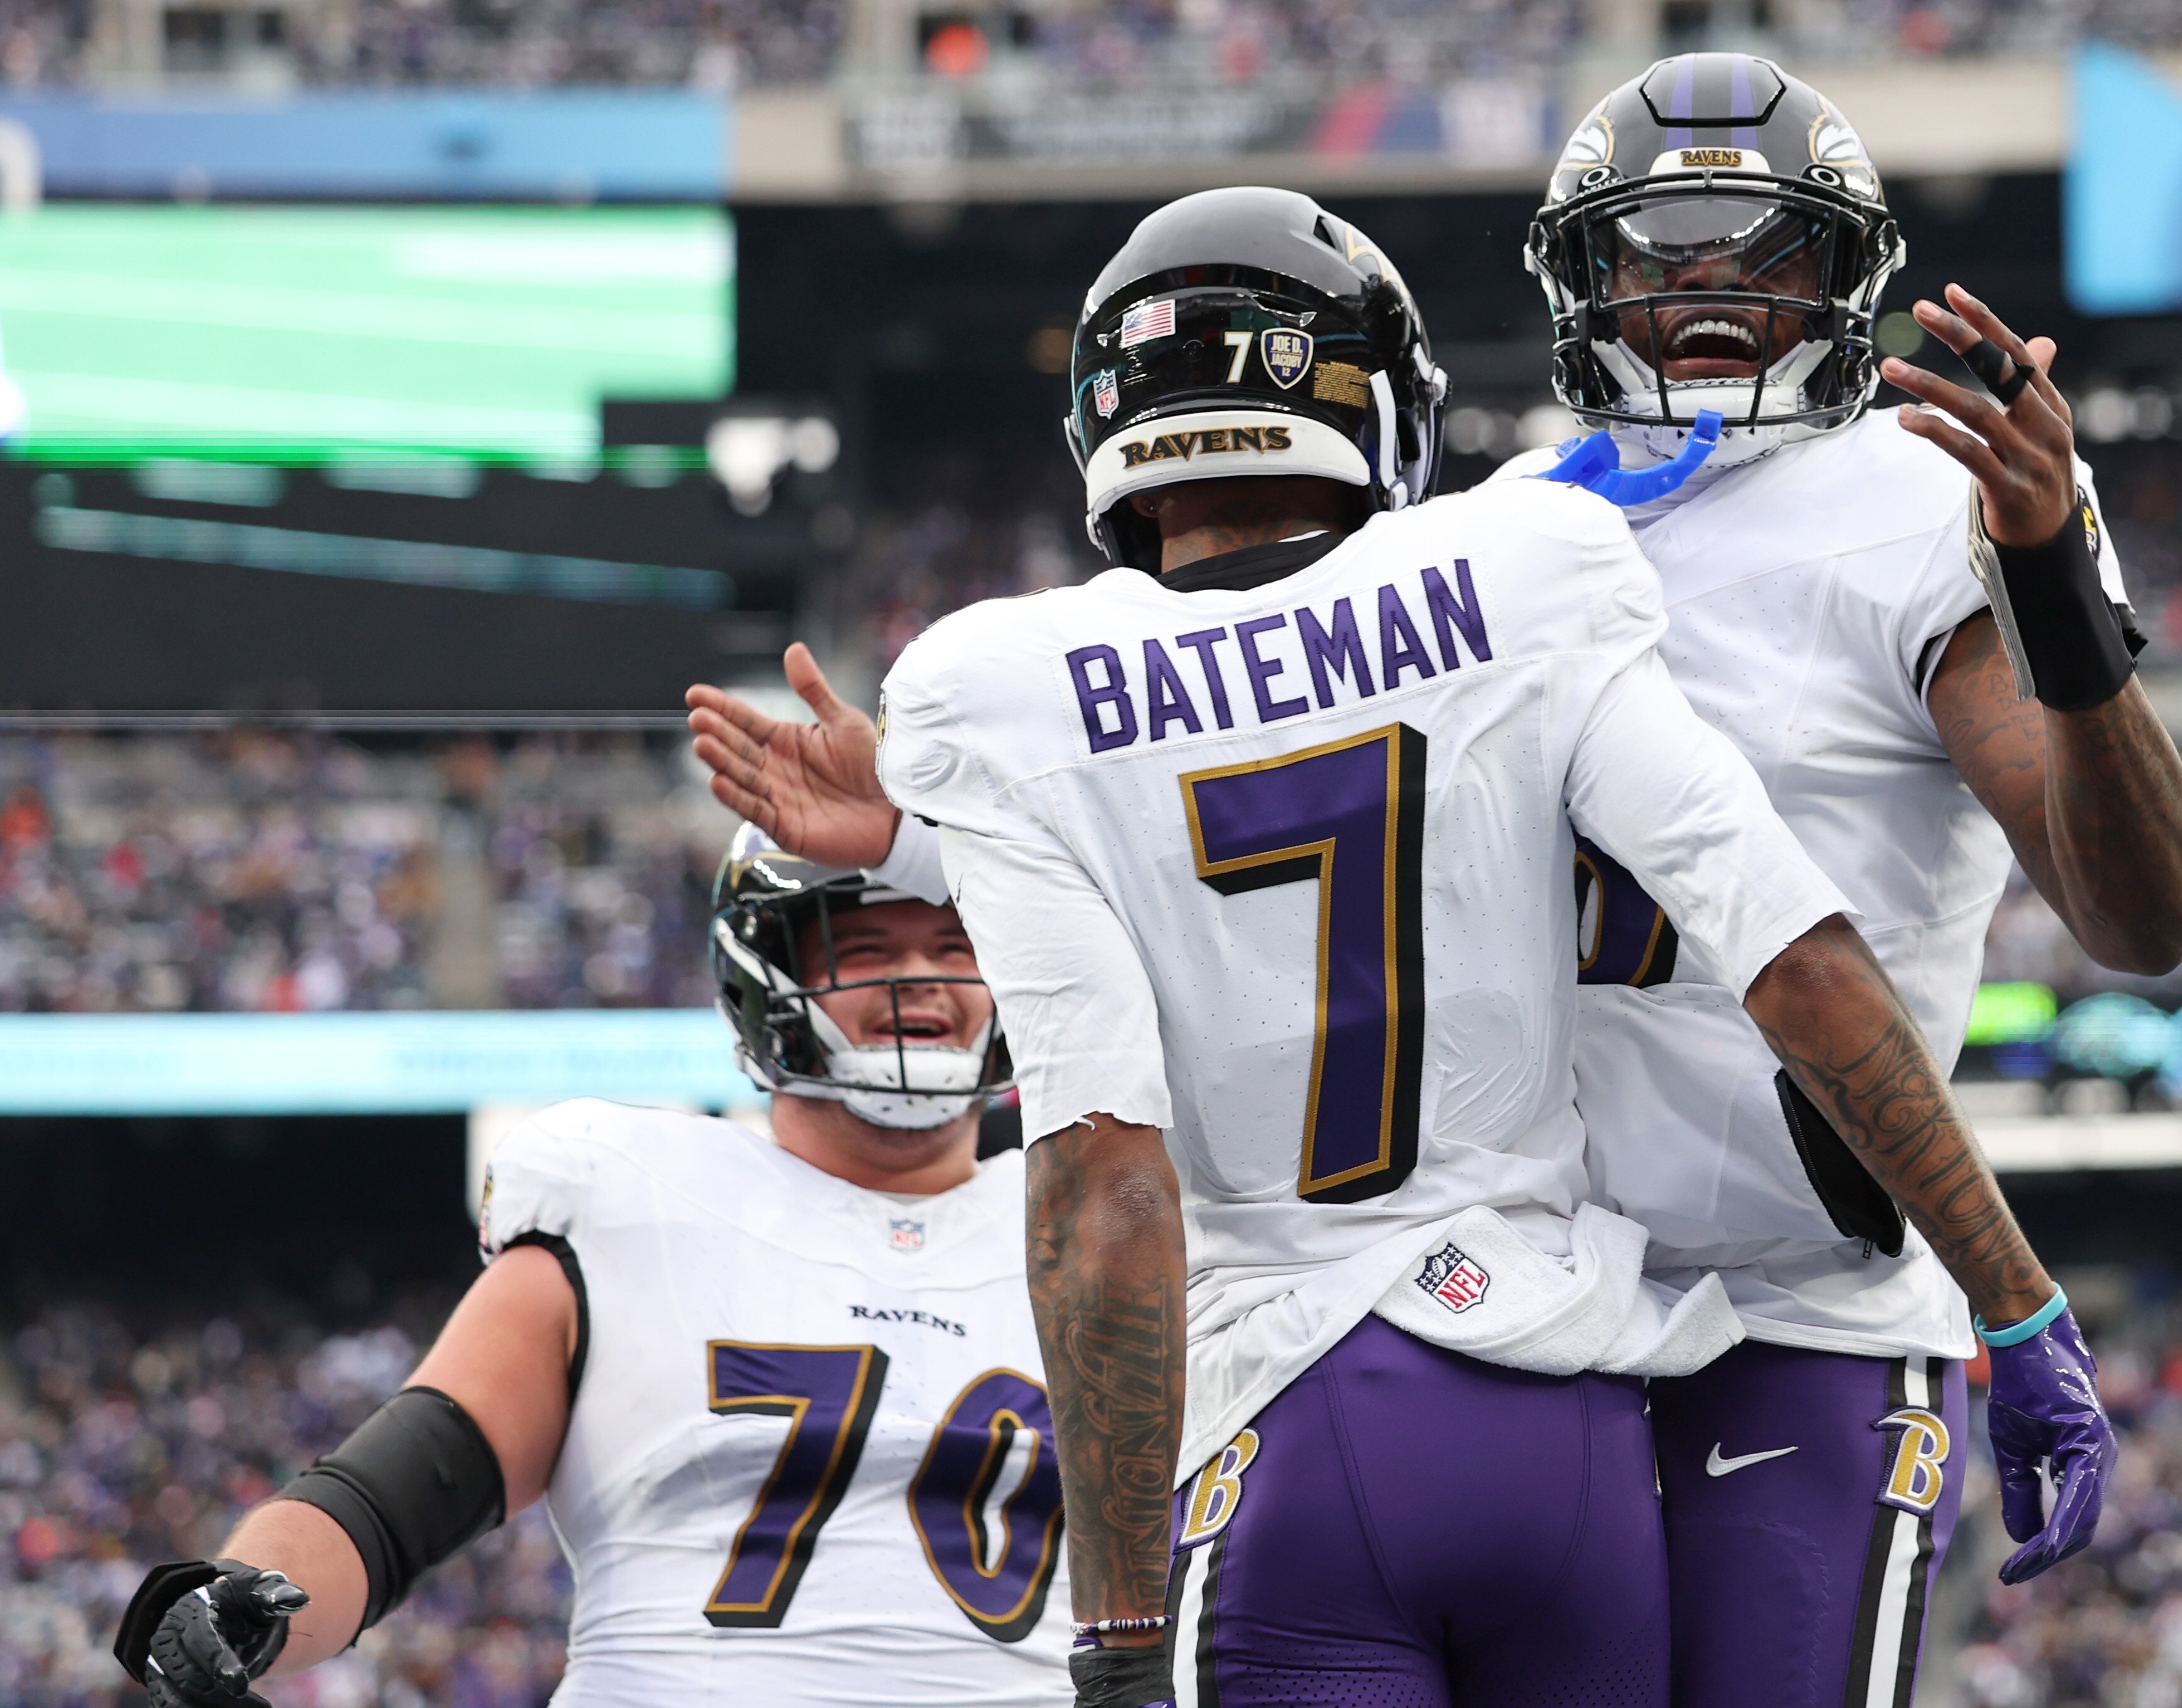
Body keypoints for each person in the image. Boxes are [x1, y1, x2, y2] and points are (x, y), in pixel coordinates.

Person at [688, 185, 2104, 1708]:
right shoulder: (1522, 574)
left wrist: (1108, 1641)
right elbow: (1796, 962)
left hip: (1290, 1421)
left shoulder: (997, 687)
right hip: (1559, 1426)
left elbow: (1103, 1183)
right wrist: (2012, 1303)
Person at [1506, 52, 2182, 1708]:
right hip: (1524, 1305)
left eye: (1763, 249)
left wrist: (2051, 598)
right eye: (1658, 250)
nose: (1709, 291)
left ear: (1844, 275)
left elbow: (2137, 917)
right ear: (1582, 278)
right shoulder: (1502, 524)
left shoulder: (1923, 496)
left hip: (1798, 1313)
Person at [113, 827, 1072, 1707]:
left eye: (958, 949)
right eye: (866, 950)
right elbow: (385, 1503)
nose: (923, 980)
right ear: (767, 976)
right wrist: (238, 1603)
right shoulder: (632, 1199)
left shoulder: (1101, 1235)